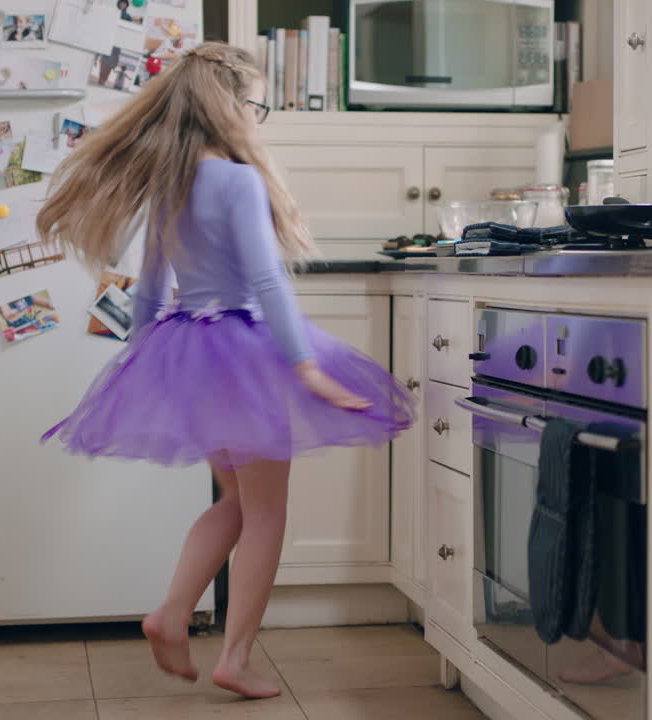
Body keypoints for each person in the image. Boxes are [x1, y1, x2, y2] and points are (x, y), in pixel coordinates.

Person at [35, 42, 415, 699]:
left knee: (237, 501)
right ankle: (233, 658)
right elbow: (267, 280)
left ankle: (170, 614)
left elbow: (150, 289)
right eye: (253, 103)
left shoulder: (169, 186)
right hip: (248, 352)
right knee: (266, 511)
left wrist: (146, 363)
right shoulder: (238, 181)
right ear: (229, 105)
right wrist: (306, 368)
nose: (255, 116)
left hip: (188, 352)